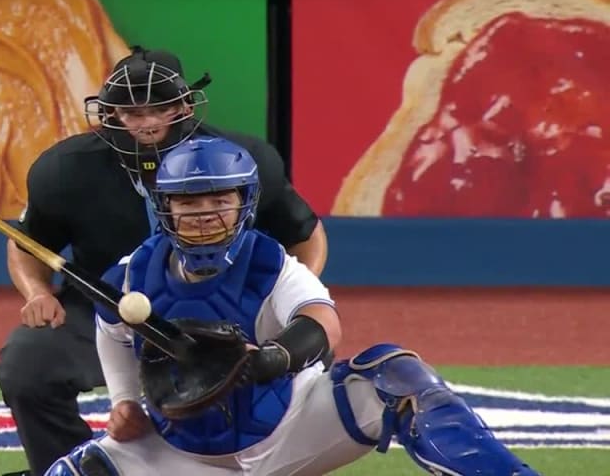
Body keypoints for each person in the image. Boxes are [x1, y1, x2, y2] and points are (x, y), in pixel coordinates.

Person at [46, 136, 541, 476]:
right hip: (181, 453)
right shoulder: (134, 273)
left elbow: (322, 322)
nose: (204, 214)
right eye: (188, 203)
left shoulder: (271, 263)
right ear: (166, 208)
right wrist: (124, 403)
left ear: (245, 202)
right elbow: (111, 331)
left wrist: (275, 357)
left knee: (395, 376)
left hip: (291, 430)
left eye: (220, 199)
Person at [0, 46, 328, 475]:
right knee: (28, 365)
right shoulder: (63, 171)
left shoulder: (241, 160)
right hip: (109, 312)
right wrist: (38, 292)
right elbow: (27, 244)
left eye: (160, 108)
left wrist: (291, 300)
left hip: (228, 311)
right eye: (131, 112)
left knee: (303, 356)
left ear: (185, 106)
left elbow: (307, 235)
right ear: (110, 114)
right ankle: (73, 468)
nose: (146, 123)